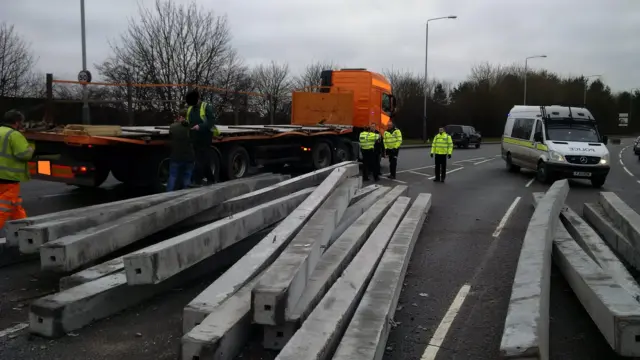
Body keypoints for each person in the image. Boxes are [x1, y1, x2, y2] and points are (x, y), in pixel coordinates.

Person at [0, 110, 33, 229]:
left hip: (2, 177)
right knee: (3, 207)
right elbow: (24, 154)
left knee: (15, 205)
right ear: (17, 122)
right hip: (9, 177)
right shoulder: (14, 135)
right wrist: (31, 147)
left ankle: (24, 229)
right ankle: (24, 228)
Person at [185, 89, 220, 185]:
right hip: (194, 137)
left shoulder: (206, 106)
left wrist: (200, 126)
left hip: (205, 137)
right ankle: (211, 179)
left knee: (200, 160)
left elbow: (211, 121)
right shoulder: (190, 109)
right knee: (203, 160)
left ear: (197, 98)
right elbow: (188, 121)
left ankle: (197, 181)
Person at [167, 108, 195, 191]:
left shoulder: (173, 127)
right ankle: (186, 196)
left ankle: (168, 195)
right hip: (189, 157)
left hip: (176, 157)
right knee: (187, 177)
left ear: (180, 117)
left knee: (173, 176)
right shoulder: (192, 127)